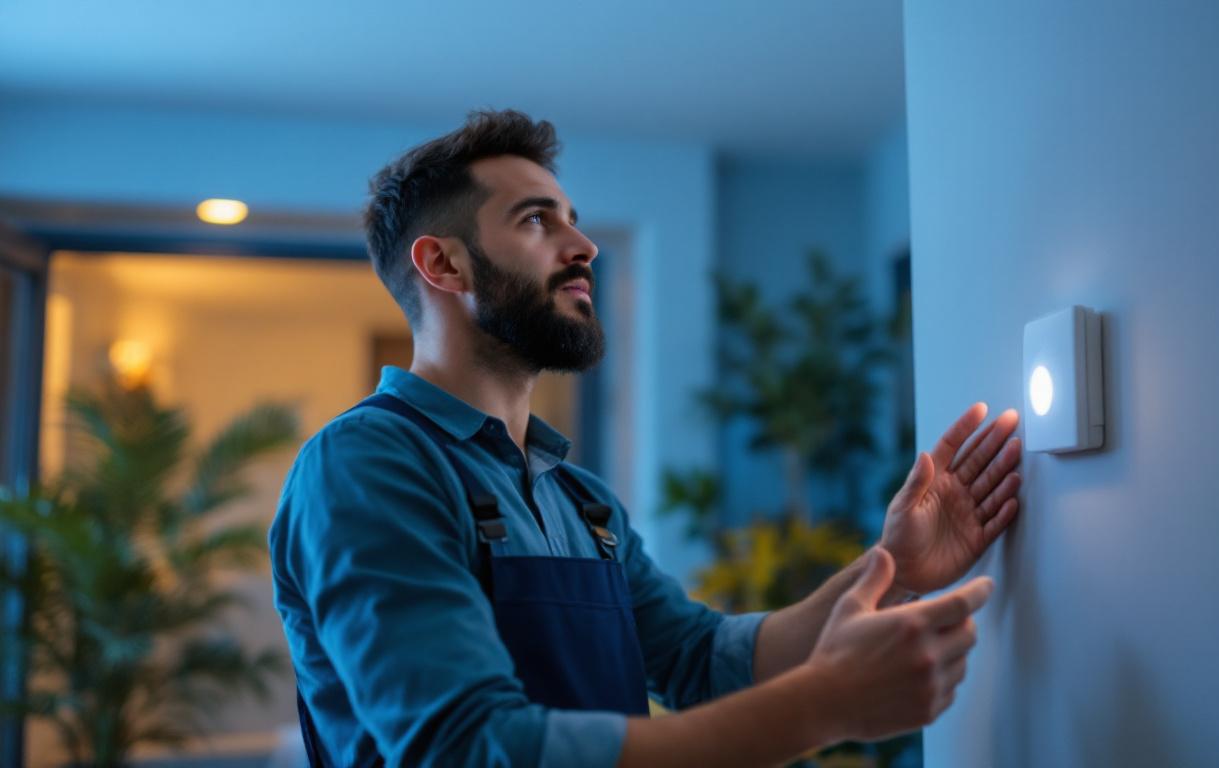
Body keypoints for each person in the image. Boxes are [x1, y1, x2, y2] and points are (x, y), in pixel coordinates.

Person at [269, 109, 1023, 767]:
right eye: (536, 220)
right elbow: (471, 750)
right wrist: (825, 706)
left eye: (572, 219)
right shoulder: (365, 466)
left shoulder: (579, 500)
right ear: (443, 263)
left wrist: (895, 567)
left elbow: (704, 660)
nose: (583, 245)